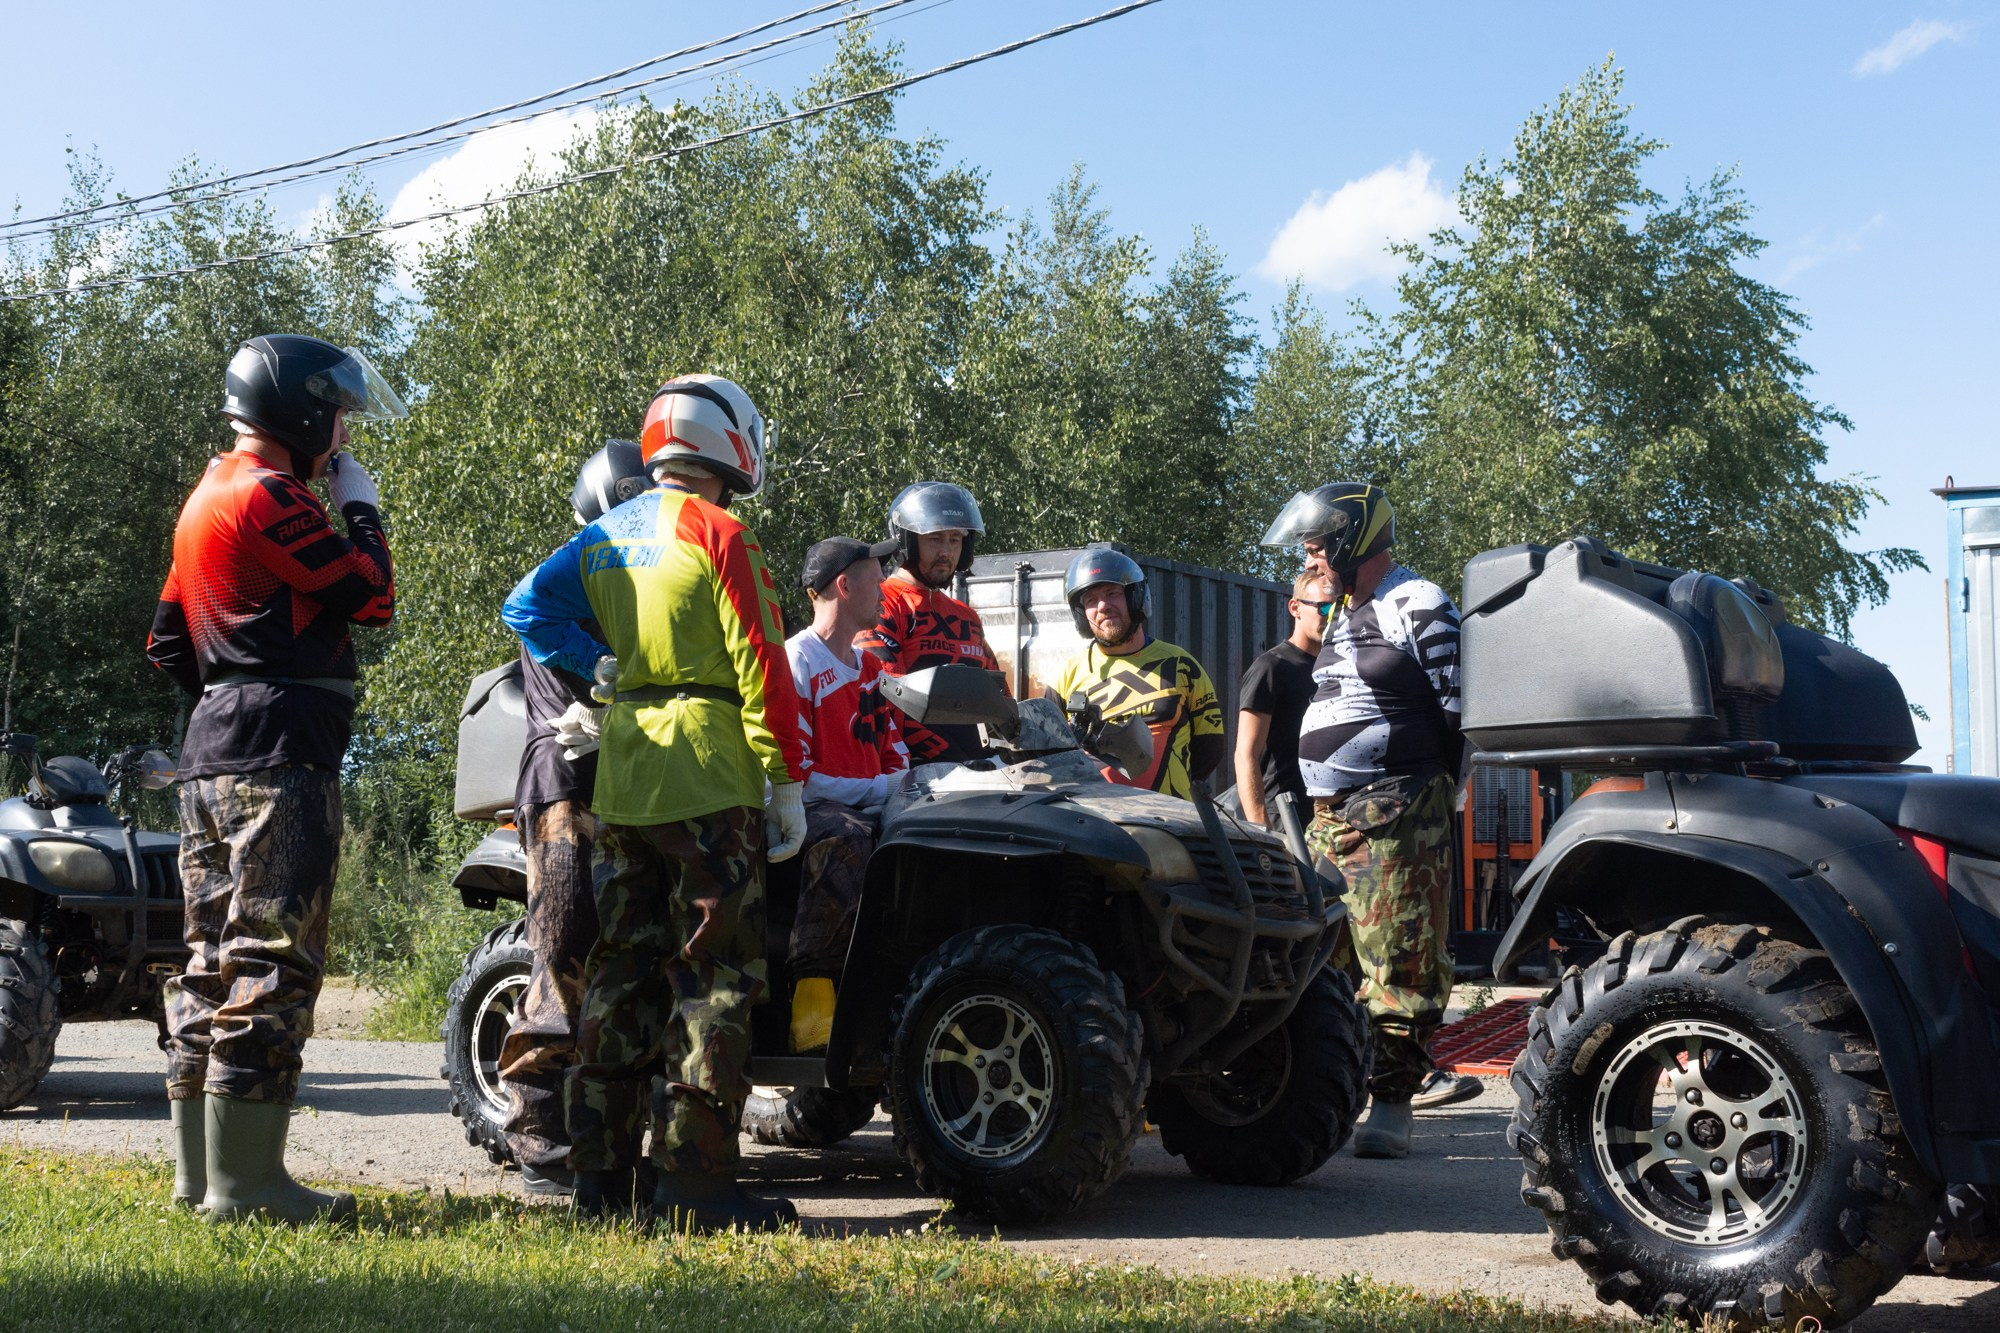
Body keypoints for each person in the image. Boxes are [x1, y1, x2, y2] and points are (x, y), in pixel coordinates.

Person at [502, 374, 807, 1232]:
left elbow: (524, 606)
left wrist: (597, 657)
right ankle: (697, 1186)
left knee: (620, 973)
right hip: (709, 768)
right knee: (711, 975)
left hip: (629, 763)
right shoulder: (723, 532)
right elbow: (761, 662)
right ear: (730, 446)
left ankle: (600, 1178)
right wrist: (782, 776)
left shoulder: (603, 535)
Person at [146, 333, 405, 1223]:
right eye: (336, 412)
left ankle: (200, 1178)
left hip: (211, 751)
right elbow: (371, 596)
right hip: (277, 753)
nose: (342, 431)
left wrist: (233, 685)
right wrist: (360, 511)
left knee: (211, 959)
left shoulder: (204, 497)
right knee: (271, 958)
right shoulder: (268, 494)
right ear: (297, 411)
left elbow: (167, 643)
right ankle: (248, 1184)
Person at [1261, 481, 1465, 1158]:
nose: (1311, 557)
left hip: (1399, 808)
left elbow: (1461, 710)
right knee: (1319, 954)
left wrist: (1438, 798)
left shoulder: (1420, 602)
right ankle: (1331, 1088)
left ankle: (1395, 1101)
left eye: (1318, 545)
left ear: (1352, 540)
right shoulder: (1346, 613)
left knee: (1399, 957)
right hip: (1329, 817)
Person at [495, 440, 652, 1197]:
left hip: (622, 787)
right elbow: (520, 605)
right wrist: (599, 662)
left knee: (617, 962)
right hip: (564, 788)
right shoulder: (574, 566)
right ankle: (538, 1138)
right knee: (563, 957)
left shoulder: (633, 579)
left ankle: (598, 1140)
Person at [783, 536, 910, 1053]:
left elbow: (898, 753)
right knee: (847, 836)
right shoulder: (797, 660)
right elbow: (802, 777)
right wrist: (882, 789)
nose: (884, 588)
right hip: (809, 812)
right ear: (843, 584)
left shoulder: (876, 671)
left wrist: (900, 791)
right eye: (876, 577)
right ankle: (811, 1002)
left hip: (869, 805)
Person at [1048, 546, 1224, 799]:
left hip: (1174, 821)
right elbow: (1047, 752)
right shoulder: (1067, 674)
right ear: (1081, 614)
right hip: (1100, 821)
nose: (1103, 606)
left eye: (1113, 593)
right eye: (1091, 600)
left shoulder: (1181, 665)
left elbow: (1210, 748)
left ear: (1136, 597)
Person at [857, 481, 999, 763]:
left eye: (955, 539)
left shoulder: (966, 616)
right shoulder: (883, 603)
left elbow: (998, 699)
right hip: (913, 775)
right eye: (935, 539)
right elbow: (886, 699)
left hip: (979, 775)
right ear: (907, 541)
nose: (946, 551)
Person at [1233, 571, 1337, 828]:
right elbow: (1245, 755)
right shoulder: (1271, 668)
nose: (1331, 616)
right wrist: (1262, 830)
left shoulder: (1337, 668)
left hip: (1330, 823)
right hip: (1284, 821)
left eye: (1337, 609)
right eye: (1323, 607)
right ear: (1295, 607)